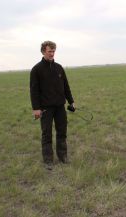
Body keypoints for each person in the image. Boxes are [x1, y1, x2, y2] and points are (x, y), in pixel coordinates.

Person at [30, 41, 75, 170]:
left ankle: (63, 157)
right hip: (45, 108)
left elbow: (66, 86)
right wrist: (36, 109)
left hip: (60, 107)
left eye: (53, 51)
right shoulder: (36, 70)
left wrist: (71, 101)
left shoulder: (59, 68)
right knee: (47, 134)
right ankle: (48, 160)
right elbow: (34, 91)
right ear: (43, 51)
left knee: (62, 132)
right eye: (50, 51)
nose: (52, 53)